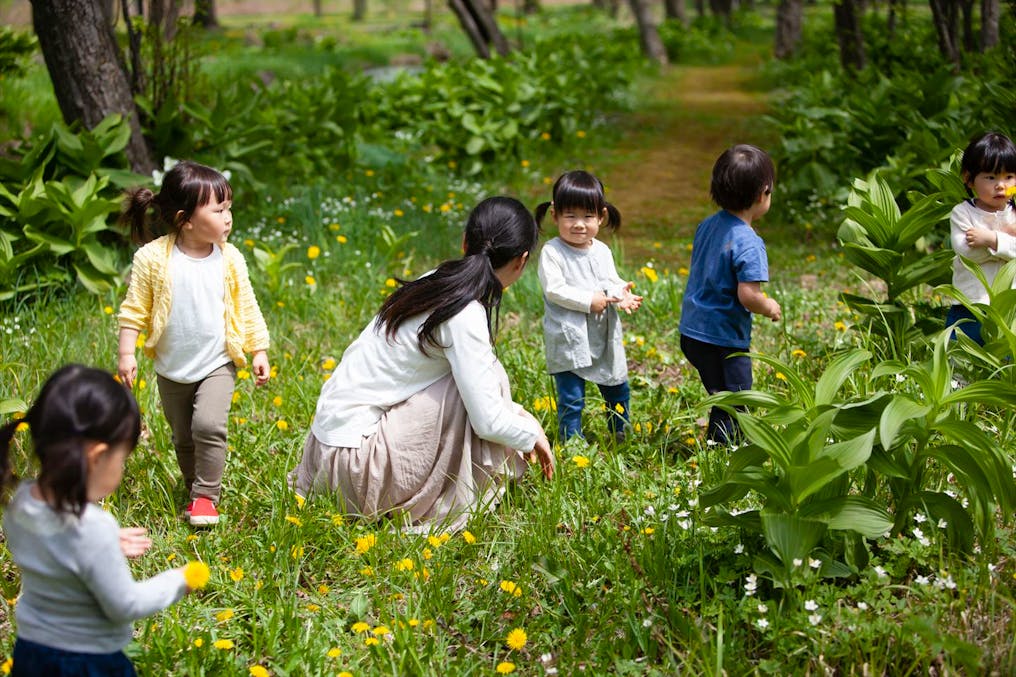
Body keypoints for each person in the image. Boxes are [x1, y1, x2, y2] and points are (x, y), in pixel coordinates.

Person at [289, 196, 554, 532]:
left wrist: (518, 416)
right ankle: (449, 500)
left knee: (480, 375)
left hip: (324, 460)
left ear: (464, 242)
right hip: (356, 472)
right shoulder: (465, 312)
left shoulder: (437, 281)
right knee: (474, 385)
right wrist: (530, 434)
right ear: (521, 261)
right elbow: (486, 420)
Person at [1, 365, 194, 677]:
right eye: (122, 459)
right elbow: (125, 604)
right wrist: (179, 580)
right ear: (98, 456)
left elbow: (53, 546)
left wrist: (101, 546)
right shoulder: (93, 526)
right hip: (89, 661)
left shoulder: (20, 502)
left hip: (31, 654)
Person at [117, 160, 271, 527]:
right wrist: (126, 352)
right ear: (186, 220)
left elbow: (246, 305)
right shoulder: (153, 259)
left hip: (217, 361)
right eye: (219, 210)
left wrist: (258, 349)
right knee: (183, 435)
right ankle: (193, 488)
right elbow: (134, 309)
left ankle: (206, 496)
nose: (228, 217)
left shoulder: (229, 259)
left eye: (228, 208)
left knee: (207, 426)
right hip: (171, 368)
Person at [679, 144, 781, 445]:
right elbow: (748, 295)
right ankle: (726, 449)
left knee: (721, 394)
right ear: (763, 193)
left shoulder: (707, 226)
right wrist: (769, 306)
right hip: (722, 339)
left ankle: (720, 438)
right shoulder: (749, 242)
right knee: (737, 399)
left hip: (692, 332)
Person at [534, 170, 643, 443]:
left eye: (588, 216)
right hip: (569, 337)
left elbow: (610, 281)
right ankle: (571, 442)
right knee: (571, 397)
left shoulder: (602, 251)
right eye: (571, 216)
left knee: (617, 386)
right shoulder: (553, 252)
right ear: (555, 215)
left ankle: (621, 433)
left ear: (601, 216)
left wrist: (622, 295)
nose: (579, 224)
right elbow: (554, 289)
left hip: (602, 334)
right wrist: (588, 301)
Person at [947, 131, 1016, 345]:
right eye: (991, 177)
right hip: (971, 300)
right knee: (963, 348)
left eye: (1009, 177)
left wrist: (991, 239)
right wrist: (1006, 244)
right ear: (969, 179)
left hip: (1009, 304)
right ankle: (957, 379)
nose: (1001, 185)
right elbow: (967, 253)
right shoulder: (962, 213)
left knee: (1005, 351)